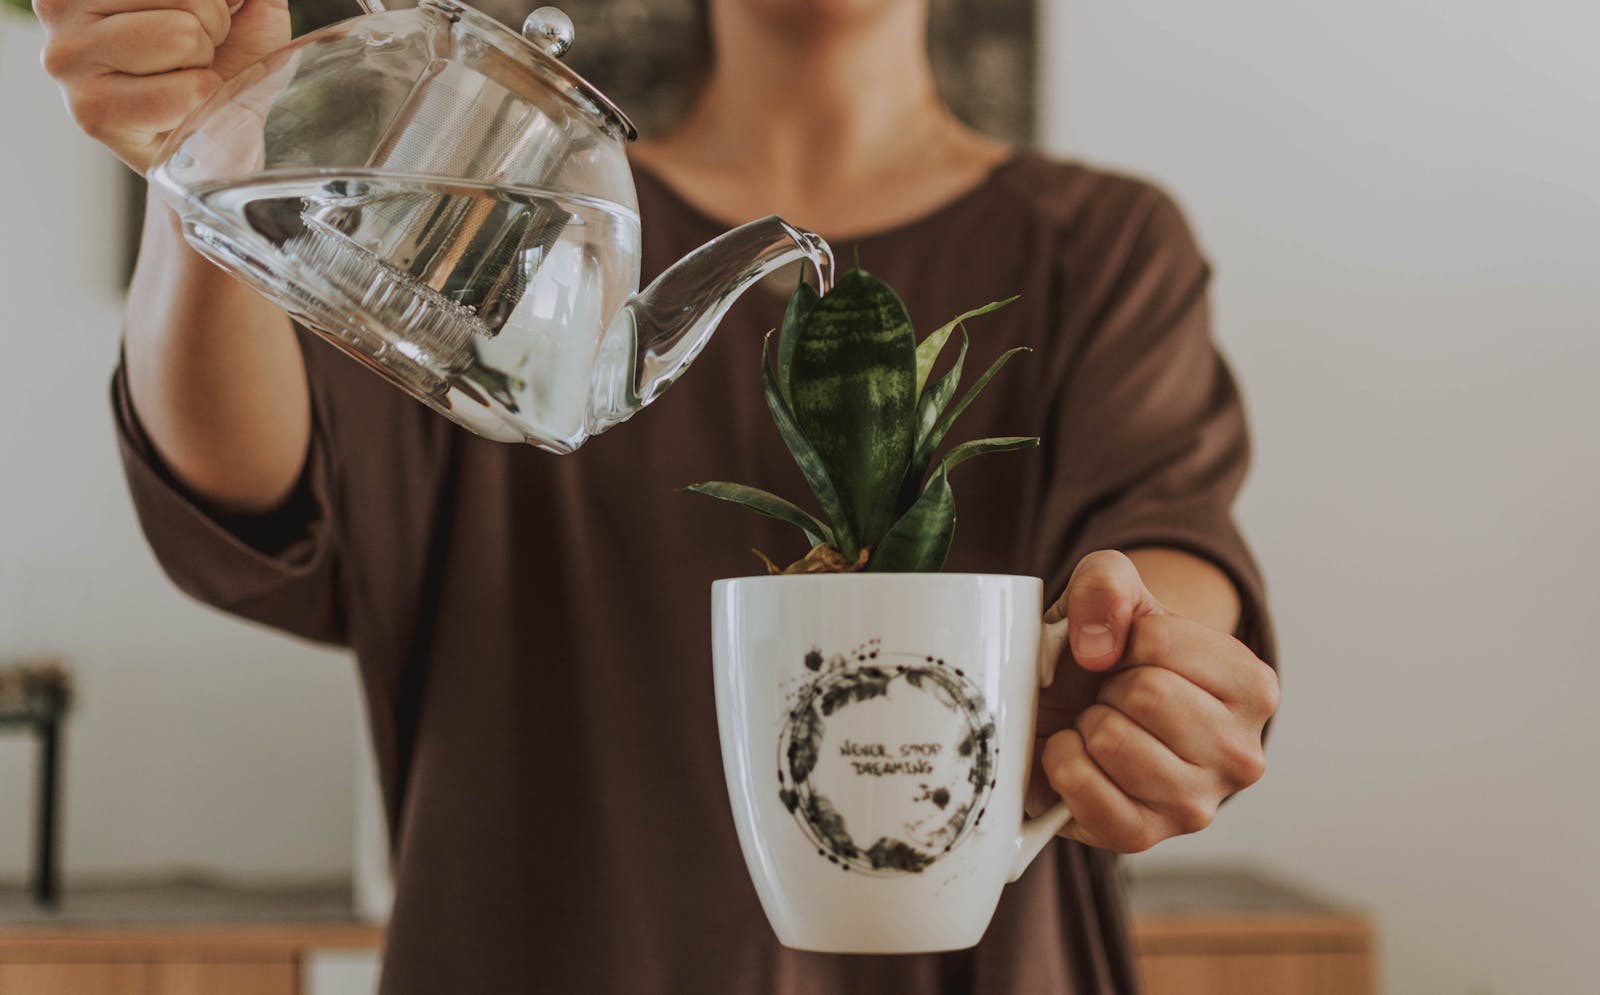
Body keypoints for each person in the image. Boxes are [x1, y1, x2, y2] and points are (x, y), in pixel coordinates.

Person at [36, 0, 1280, 990]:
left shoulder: (1102, 242)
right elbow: (254, 490)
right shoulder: (513, 236)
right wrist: (204, 151)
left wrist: (1151, 674)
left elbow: (1166, 541)